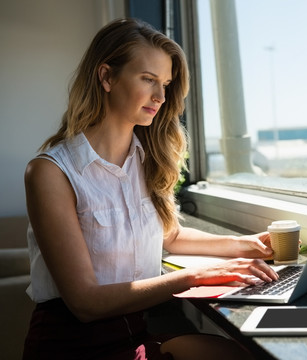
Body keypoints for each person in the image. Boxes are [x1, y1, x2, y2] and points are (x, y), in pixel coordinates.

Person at [22, 18, 278, 360]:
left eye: (166, 84)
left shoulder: (147, 161)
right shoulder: (50, 172)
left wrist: (244, 245)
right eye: (148, 80)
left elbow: (168, 236)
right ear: (107, 76)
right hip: (71, 345)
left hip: (134, 333)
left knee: (246, 355)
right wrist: (195, 277)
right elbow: (85, 303)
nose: (160, 96)